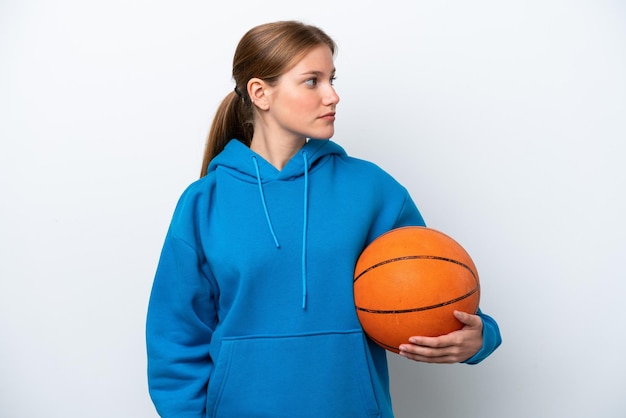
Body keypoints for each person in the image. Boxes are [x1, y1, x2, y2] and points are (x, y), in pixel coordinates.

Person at [146, 20, 501, 418]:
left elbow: (432, 284)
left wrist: (480, 337)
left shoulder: (371, 189)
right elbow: (176, 338)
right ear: (260, 93)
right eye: (312, 81)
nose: (333, 95)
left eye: (332, 79)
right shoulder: (203, 202)